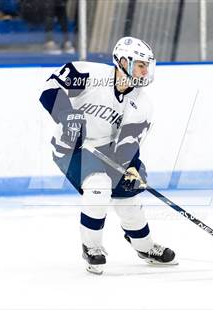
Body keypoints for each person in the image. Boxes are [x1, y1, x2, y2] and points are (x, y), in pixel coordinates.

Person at [39, 37, 177, 274]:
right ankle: (91, 248)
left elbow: (127, 144)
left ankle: (145, 247)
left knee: (129, 199)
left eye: (147, 65)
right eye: (141, 65)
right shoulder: (89, 74)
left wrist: (131, 168)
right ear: (123, 61)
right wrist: (66, 114)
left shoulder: (142, 104)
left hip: (105, 151)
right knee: (98, 185)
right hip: (70, 148)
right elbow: (50, 88)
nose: (146, 71)